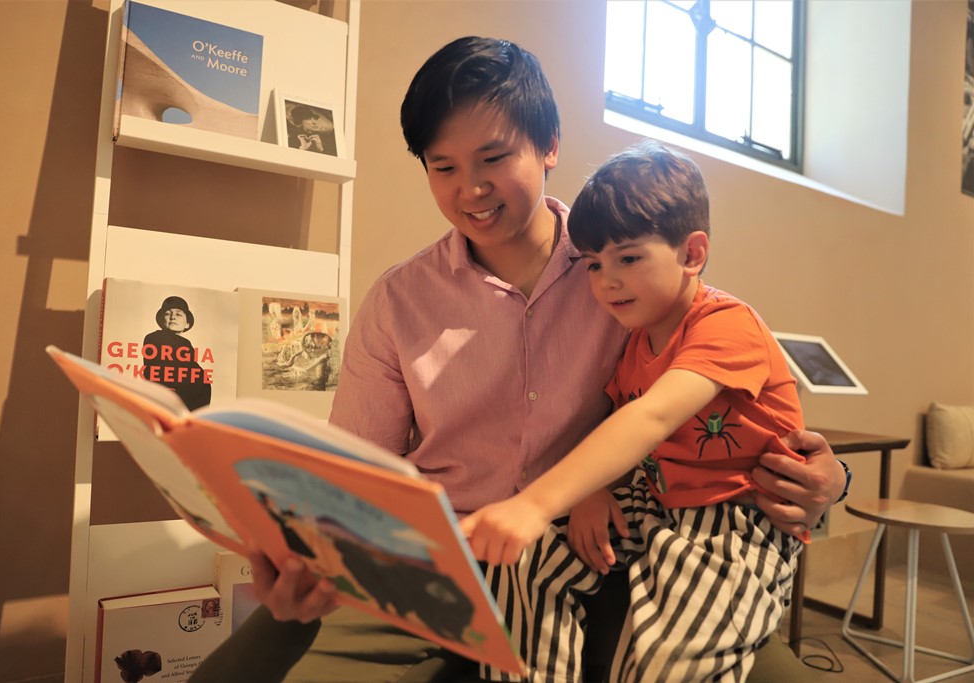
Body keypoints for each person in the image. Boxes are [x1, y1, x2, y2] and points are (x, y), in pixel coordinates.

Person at [189, 36, 846, 683]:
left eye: (493, 158)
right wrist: (304, 550)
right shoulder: (398, 301)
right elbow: (354, 475)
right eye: (442, 167)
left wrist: (828, 478)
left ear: (550, 144)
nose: (470, 188)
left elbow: (729, 413)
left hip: (612, 550)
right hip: (435, 561)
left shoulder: (627, 275)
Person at [460, 139, 808, 682]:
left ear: (692, 254)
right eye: (595, 265)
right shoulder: (635, 344)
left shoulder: (727, 325)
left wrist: (533, 503)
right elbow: (618, 431)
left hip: (734, 517)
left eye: (628, 258)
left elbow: (650, 418)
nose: (607, 282)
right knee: (526, 566)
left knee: (664, 661)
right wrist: (593, 489)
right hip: (651, 498)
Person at [142, 295, 211, 410]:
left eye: (178, 314)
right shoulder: (153, 338)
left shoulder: (185, 343)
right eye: (168, 313)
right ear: (161, 320)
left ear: (187, 324)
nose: (173, 317)